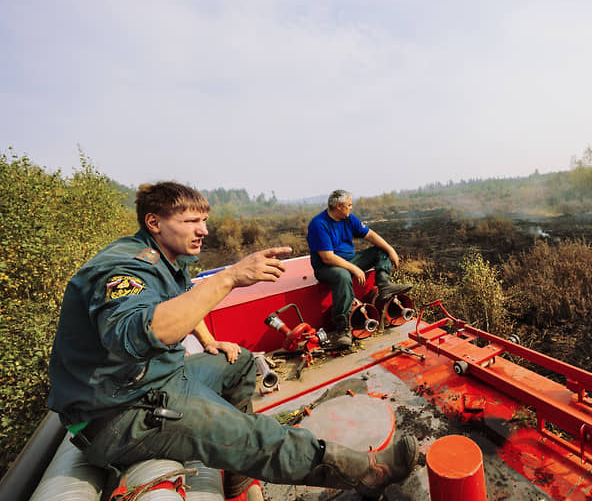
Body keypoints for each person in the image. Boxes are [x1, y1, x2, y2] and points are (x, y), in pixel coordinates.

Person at [47, 182, 418, 500]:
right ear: (154, 223)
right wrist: (228, 278)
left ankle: (240, 482)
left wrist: (210, 342)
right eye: (192, 221)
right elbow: (141, 333)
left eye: (204, 220)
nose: (203, 229)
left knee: (238, 362)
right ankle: (367, 472)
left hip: (154, 381)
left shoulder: (164, 259)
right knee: (261, 434)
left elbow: (179, 302)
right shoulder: (123, 268)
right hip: (123, 414)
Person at [307, 189, 411, 348]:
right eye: (349, 205)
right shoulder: (319, 224)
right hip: (327, 267)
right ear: (339, 206)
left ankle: (384, 286)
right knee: (342, 275)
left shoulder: (349, 219)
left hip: (349, 260)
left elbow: (370, 236)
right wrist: (354, 269)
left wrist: (390, 250)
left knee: (380, 251)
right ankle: (343, 329)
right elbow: (327, 257)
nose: (351, 207)